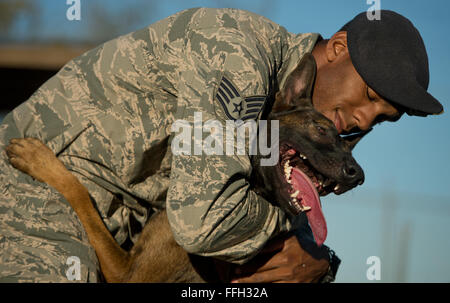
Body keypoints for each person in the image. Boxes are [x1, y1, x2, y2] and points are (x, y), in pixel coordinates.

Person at [0, 8, 443, 282]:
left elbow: (296, 251)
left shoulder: (299, 128)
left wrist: (319, 262)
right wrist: (289, 242)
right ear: (338, 48)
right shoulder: (239, 54)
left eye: (382, 119)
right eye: (368, 97)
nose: (364, 121)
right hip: (42, 183)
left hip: (123, 230)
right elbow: (202, 219)